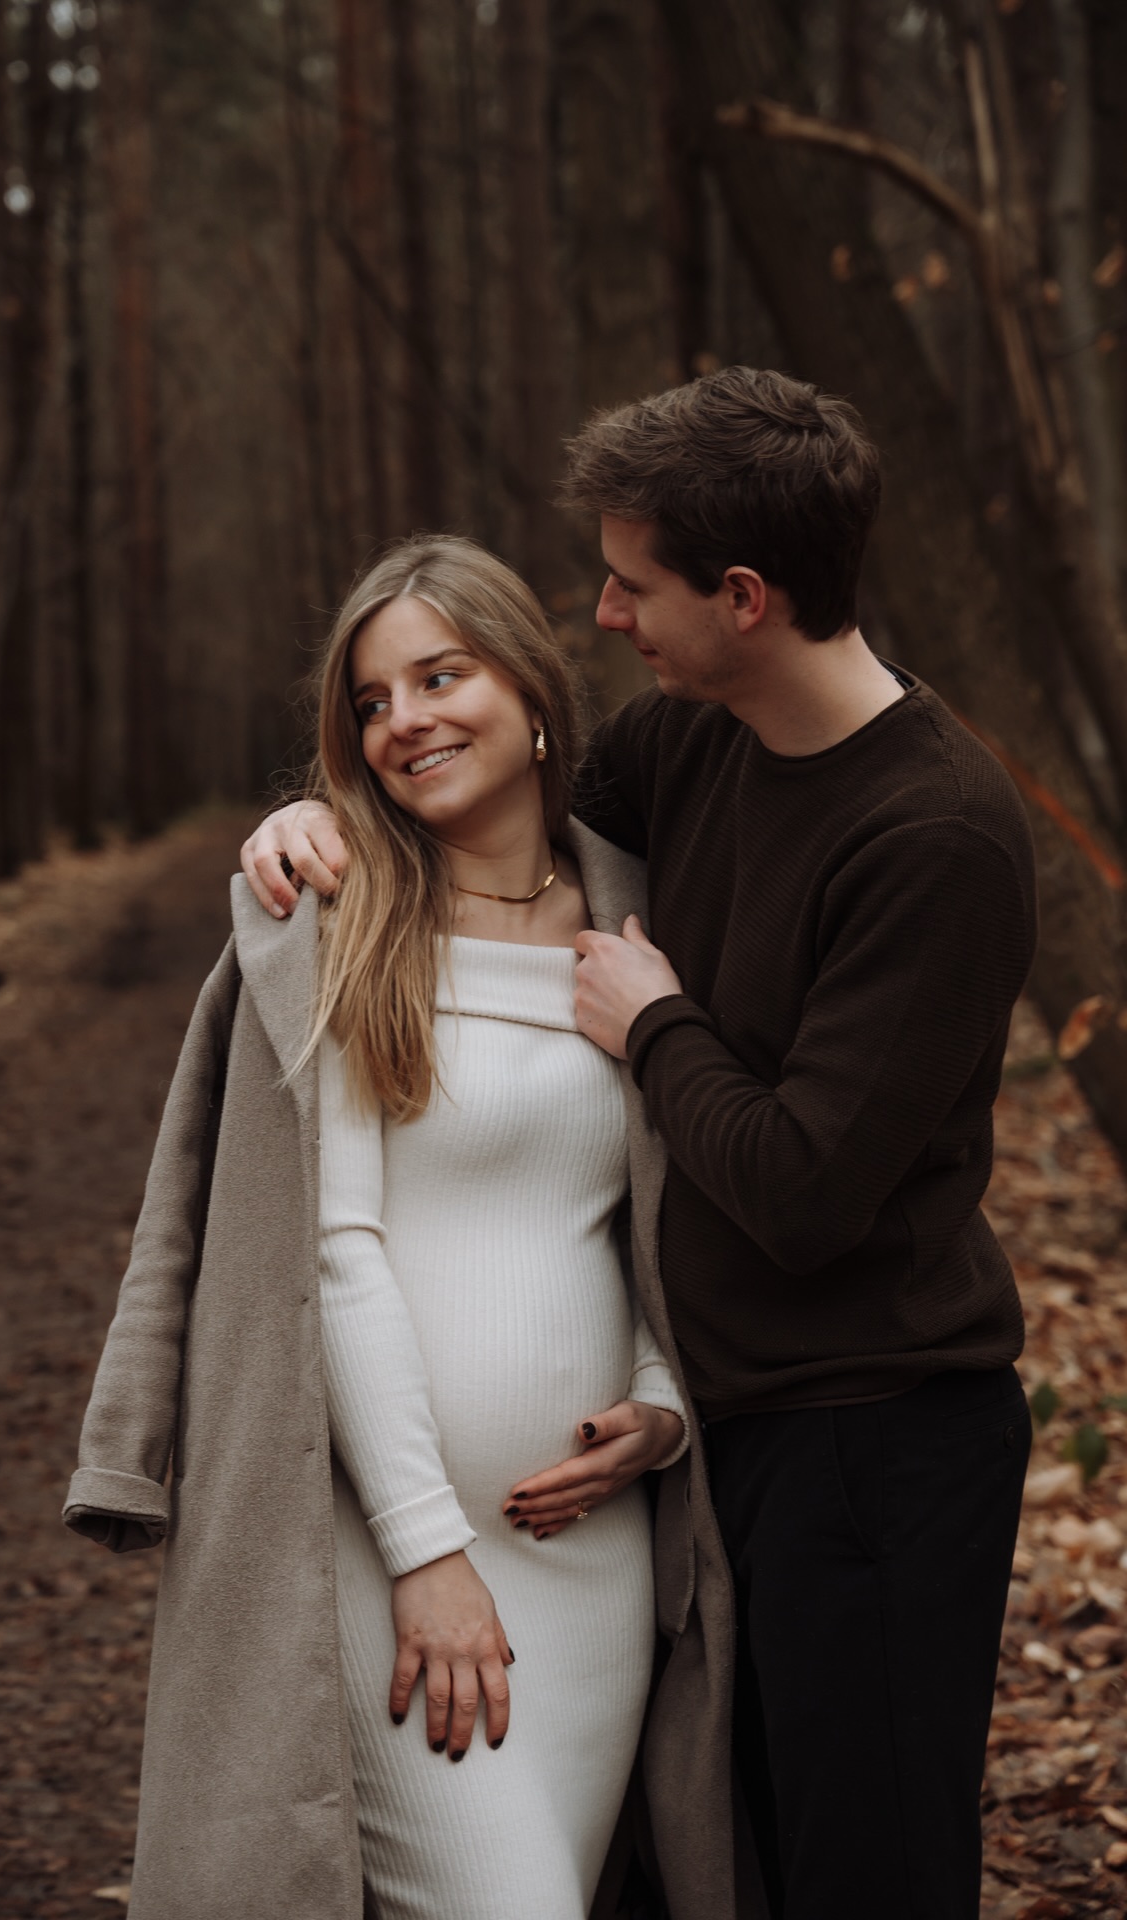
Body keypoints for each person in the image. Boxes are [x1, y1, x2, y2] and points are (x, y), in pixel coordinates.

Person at [241, 368, 1038, 1920]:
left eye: (631, 584)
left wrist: (658, 1023)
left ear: (743, 596)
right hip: (713, 1457)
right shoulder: (693, 746)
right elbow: (479, 819)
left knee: (863, 1876)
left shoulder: (934, 833)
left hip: (877, 1439)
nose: (604, 618)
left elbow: (803, 1193)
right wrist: (300, 830)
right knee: (707, 1877)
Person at [65, 535, 750, 1920]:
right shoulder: (343, 919)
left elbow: (669, 1220)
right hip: (385, 1555)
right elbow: (335, 1256)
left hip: (594, 1567)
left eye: (441, 676)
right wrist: (427, 1555)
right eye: (372, 702)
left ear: (532, 687)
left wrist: (666, 1407)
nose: (405, 722)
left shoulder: (640, 905)